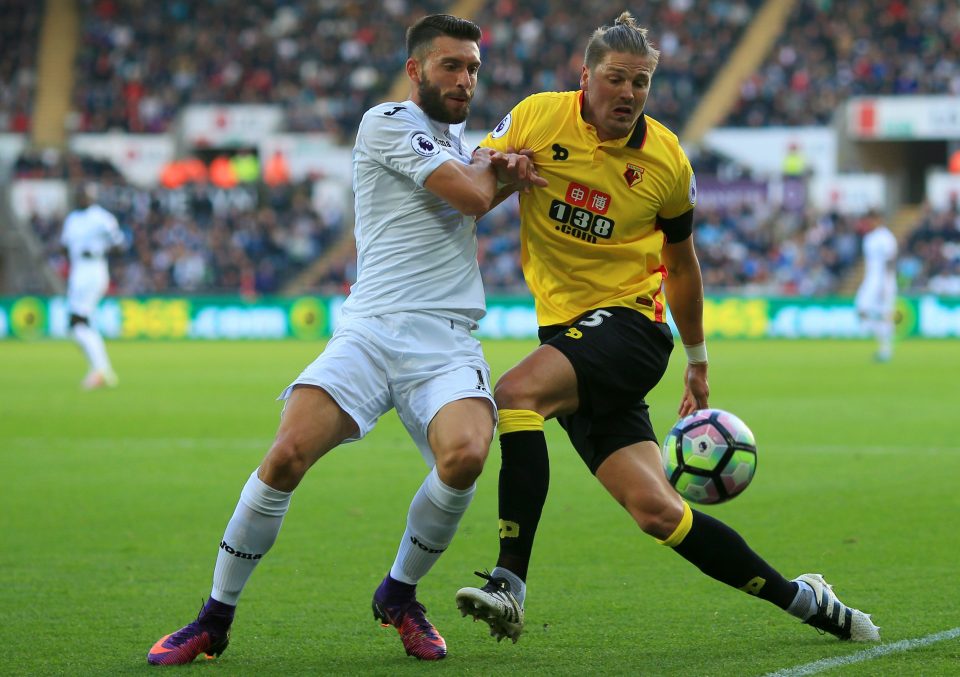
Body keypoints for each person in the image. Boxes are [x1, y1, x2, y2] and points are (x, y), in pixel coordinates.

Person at [455, 12, 880, 645]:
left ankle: (508, 582)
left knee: (516, 394)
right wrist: (498, 161)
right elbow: (478, 163)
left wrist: (698, 358)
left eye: (642, 82)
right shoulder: (539, 116)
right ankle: (809, 601)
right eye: (617, 79)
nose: (628, 93)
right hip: (569, 337)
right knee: (658, 512)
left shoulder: (666, 160)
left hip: (632, 329)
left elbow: (681, 264)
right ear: (586, 77)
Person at [147, 14, 544, 665]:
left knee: (467, 454)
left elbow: (472, 194)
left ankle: (399, 593)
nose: (465, 78)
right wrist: (500, 169)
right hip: (371, 330)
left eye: (473, 66)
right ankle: (213, 618)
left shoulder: (466, 144)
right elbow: (472, 197)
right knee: (285, 456)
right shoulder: (387, 121)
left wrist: (496, 167)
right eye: (451, 65)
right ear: (416, 70)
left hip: (445, 341)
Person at [59, 183, 124, 389]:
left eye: (85, 194)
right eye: (80, 194)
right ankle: (102, 370)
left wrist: (98, 249)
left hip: (93, 269)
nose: (82, 198)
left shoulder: (102, 218)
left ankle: (100, 371)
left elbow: (120, 244)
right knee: (82, 325)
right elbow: (64, 245)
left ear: (92, 197)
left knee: (77, 323)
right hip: (78, 271)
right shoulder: (72, 219)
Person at [855, 212, 898, 362]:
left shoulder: (886, 237)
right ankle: (879, 329)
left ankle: (886, 350)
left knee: (883, 312)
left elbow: (890, 261)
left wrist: (886, 283)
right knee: (862, 306)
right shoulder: (869, 238)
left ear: (878, 219)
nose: (868, 223)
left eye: (870, 220)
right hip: (871, 279)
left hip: (884, 280)